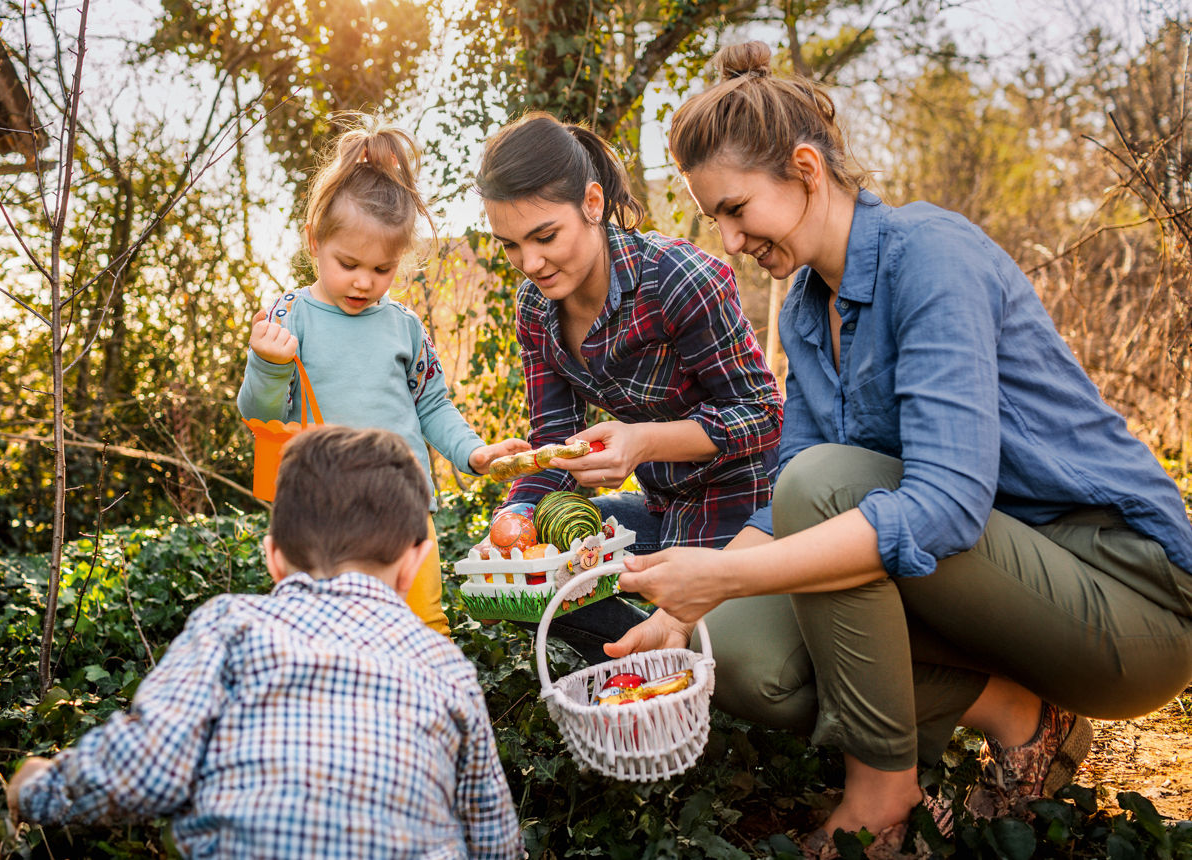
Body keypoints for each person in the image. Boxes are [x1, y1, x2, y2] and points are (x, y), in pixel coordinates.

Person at [605, 41, 1192, 855]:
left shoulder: (931, 257)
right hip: (991, 594)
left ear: (806, 169)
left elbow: (941, 505)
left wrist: (726, 572)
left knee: (824, 488)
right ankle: (1016, 713)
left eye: (737, 210)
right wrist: (681, 608)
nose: (730, 242)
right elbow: (788, 506)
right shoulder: (809, 308)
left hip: (1125, 602)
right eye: (716, 220)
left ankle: (883, 794)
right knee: (740, 654)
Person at [7, 425, 525, 859]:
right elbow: (493, 837)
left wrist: (40, 786)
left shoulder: (231, 626)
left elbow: (149, 767)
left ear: (273, 557)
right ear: (415, 562)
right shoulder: (444, 664)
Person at [473, 112, 785, 662]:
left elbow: (764, 414)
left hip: (746, 511)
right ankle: (650, 667)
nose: (531, 263)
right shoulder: (535, 311)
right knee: (541, 590)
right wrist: (511, 529)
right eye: (511, 246)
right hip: (663, 509)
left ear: (592, 204)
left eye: (545, 236)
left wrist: (642, 442)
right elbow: (553, 439)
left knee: (735, 658)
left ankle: (691, 657)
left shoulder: (677, 279)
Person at [237, 114, 529, 637]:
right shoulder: (290, 317)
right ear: (313, 242)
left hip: (403, 506)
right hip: (319, 511)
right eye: (348, 263)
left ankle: (428, 713)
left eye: (382, 269)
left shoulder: (405, 328)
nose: (364, 282)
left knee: (424, 624)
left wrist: (474, 452)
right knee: (324, 635)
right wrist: (267, 364)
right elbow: (259, 416)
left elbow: (432, 406)